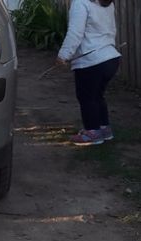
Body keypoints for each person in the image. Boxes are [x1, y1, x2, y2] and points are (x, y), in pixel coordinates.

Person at [57, 0, 121, 146]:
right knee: (97, 96)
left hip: (91, 60)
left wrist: (63, 55)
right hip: (110, 58)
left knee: (86, 98)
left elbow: (75, 33)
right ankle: (104, 129)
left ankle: (92, 132)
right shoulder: (106, 2)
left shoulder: (80, 3)